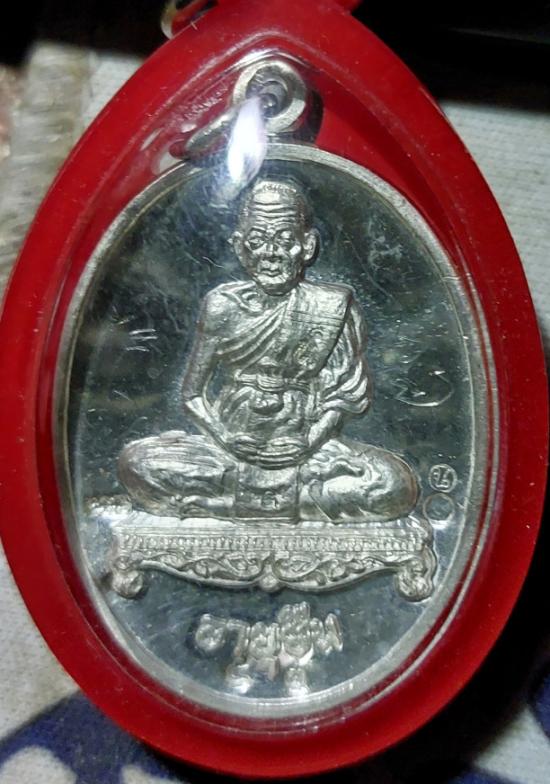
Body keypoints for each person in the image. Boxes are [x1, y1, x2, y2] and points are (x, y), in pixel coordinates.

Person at [118, 178, 418, 523]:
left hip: (309, 448)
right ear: (239, 246)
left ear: (307, 246)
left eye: (285, 240)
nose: (271, 254)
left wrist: (308, 442)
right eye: (257, 241)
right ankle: (288, 503)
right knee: (136, 464)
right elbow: (192, 395)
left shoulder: (333, 307)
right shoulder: (222, 306)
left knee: (393, 484)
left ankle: (220, 506)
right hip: (230, 447)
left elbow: (343, 397)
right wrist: (226, 439)